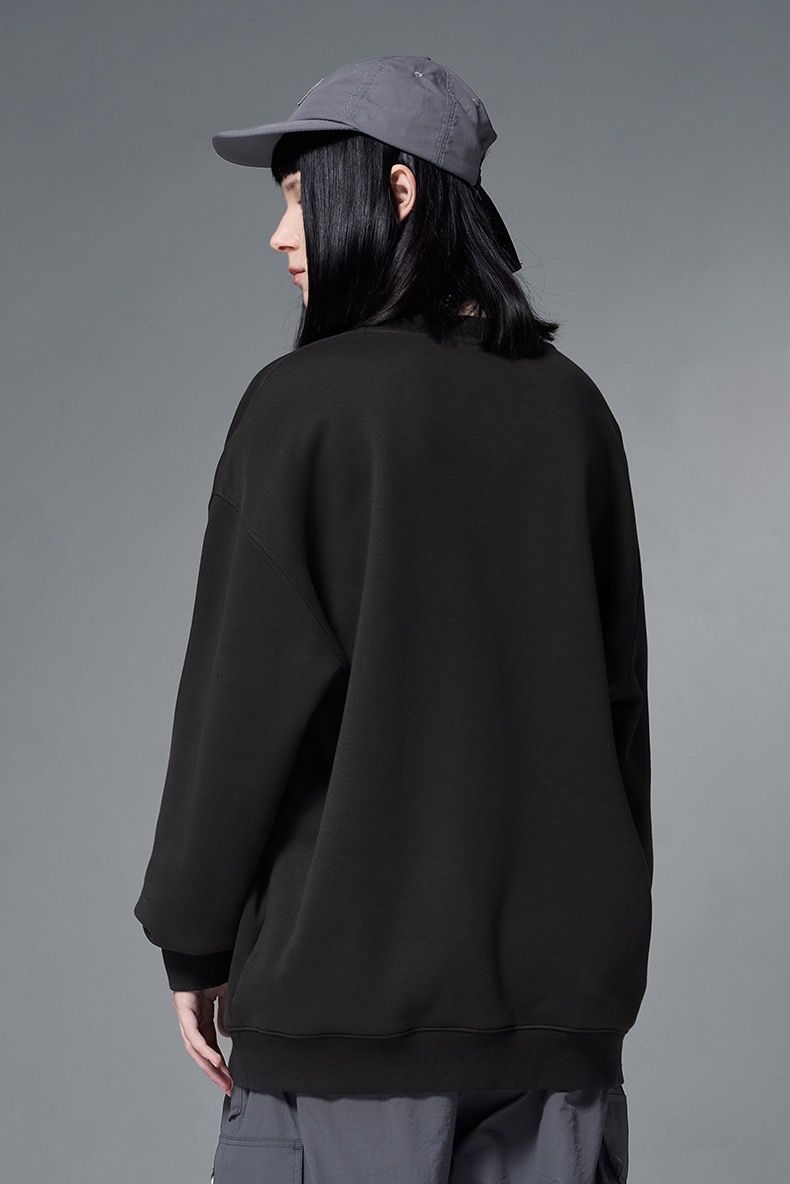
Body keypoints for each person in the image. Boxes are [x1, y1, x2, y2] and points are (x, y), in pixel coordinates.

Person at [133, 55, 650, 1184]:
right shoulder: (575, 411)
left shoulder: (305, 406)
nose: (280, 233)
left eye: (298, 193)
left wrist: (193, 938)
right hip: (560, 1038)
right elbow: (619, 715)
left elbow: (238, 704)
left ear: (398, 191)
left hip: (349, 1033)